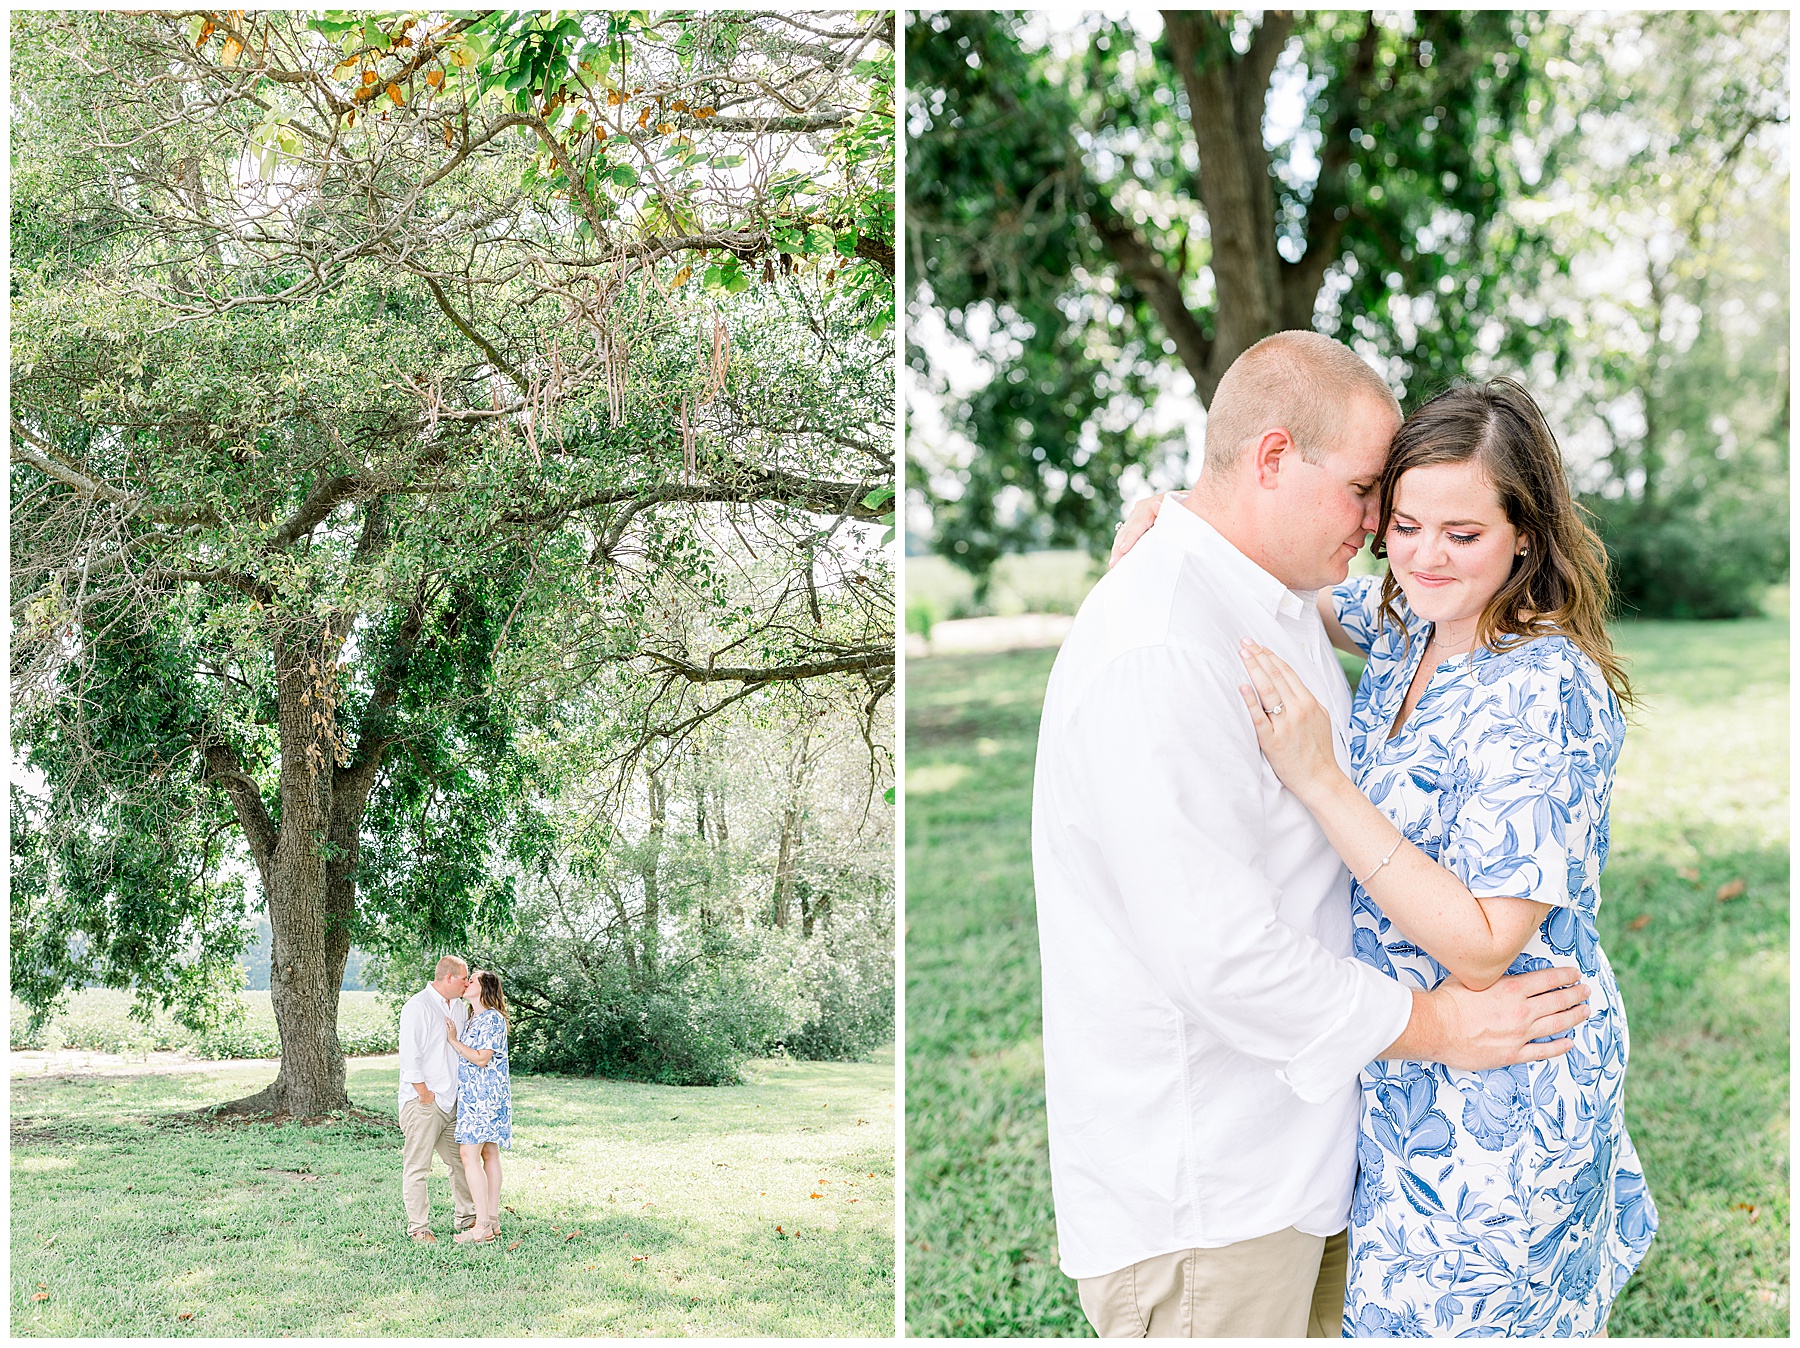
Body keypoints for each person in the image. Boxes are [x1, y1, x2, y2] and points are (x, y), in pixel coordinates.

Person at [1033, 330, 1593, 1339]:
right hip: (1213, 1184)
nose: (1391, 533)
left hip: (1345, 1145)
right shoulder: (1171, 645)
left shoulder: (1284, 596)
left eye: (1448, 525)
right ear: (1275, 459)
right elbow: (1224, 959)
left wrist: (1176, 528)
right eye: (1376, 497)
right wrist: (1438, 1026)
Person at [398, 955, 477, 1243]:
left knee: (462, 1162)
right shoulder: (417, 1007)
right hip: (424, 1102)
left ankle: (468, 1218)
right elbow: (410, 1057)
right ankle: (419, 1228)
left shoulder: (458, 1006)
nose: (467, 983)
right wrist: (424, 1094)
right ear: (448, 978)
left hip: (451, 1102)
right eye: (464, 978)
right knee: (418, 1167)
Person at [445, 968, 513, 1245]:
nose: (466, 982)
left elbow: (482, 1058)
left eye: (471, 979)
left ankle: (482, 1225)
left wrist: (453, 1041)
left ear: (484, 988)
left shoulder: (492, 1019)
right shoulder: (475, 1018)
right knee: (488, 1153)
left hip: (485, 1097)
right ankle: (492, 1220)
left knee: (468, 1154)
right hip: (477, 1096)